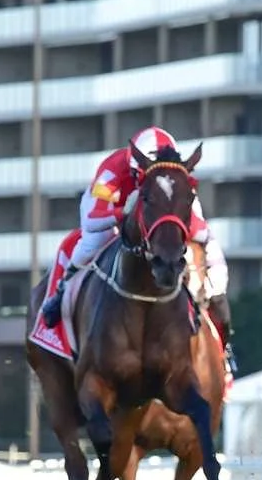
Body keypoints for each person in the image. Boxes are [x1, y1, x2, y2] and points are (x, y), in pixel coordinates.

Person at [39, 125, 176, 329]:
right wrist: (124, 212)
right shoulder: (111, 171)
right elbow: (93, 219)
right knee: (95, 241)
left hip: (149, 213)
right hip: (110, 207)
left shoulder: (175, 177)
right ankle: (63, 288)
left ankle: (205, 303)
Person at [188, 197, 238, 376]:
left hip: (201, 291)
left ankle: (224, 354)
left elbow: (218, 268)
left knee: (221, 311)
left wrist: (209, 289)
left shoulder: (203, 233)